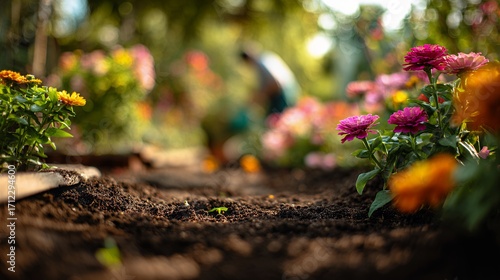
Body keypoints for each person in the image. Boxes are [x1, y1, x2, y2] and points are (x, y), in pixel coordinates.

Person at [239, 47, 300, 116]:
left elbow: (275, 83)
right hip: (290, 91)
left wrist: (260, 96)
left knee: (275, 120)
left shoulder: (262, 63)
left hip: (283, 95)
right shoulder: (267, 57)